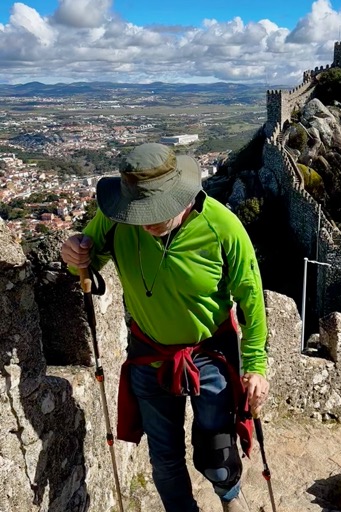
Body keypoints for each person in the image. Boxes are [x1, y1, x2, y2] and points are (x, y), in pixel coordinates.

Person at [61, 143, 269, 512]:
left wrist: (255, 367)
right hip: (149, 354)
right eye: (140, 211)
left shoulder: (222, 227)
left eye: (158, 209)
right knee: (165, 457)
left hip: (210, 353)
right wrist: (75, 251)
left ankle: (229, 496)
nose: (148, 220)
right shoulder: (117, 218)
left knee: (215, 447)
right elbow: (87, 256)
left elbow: (251, 301)